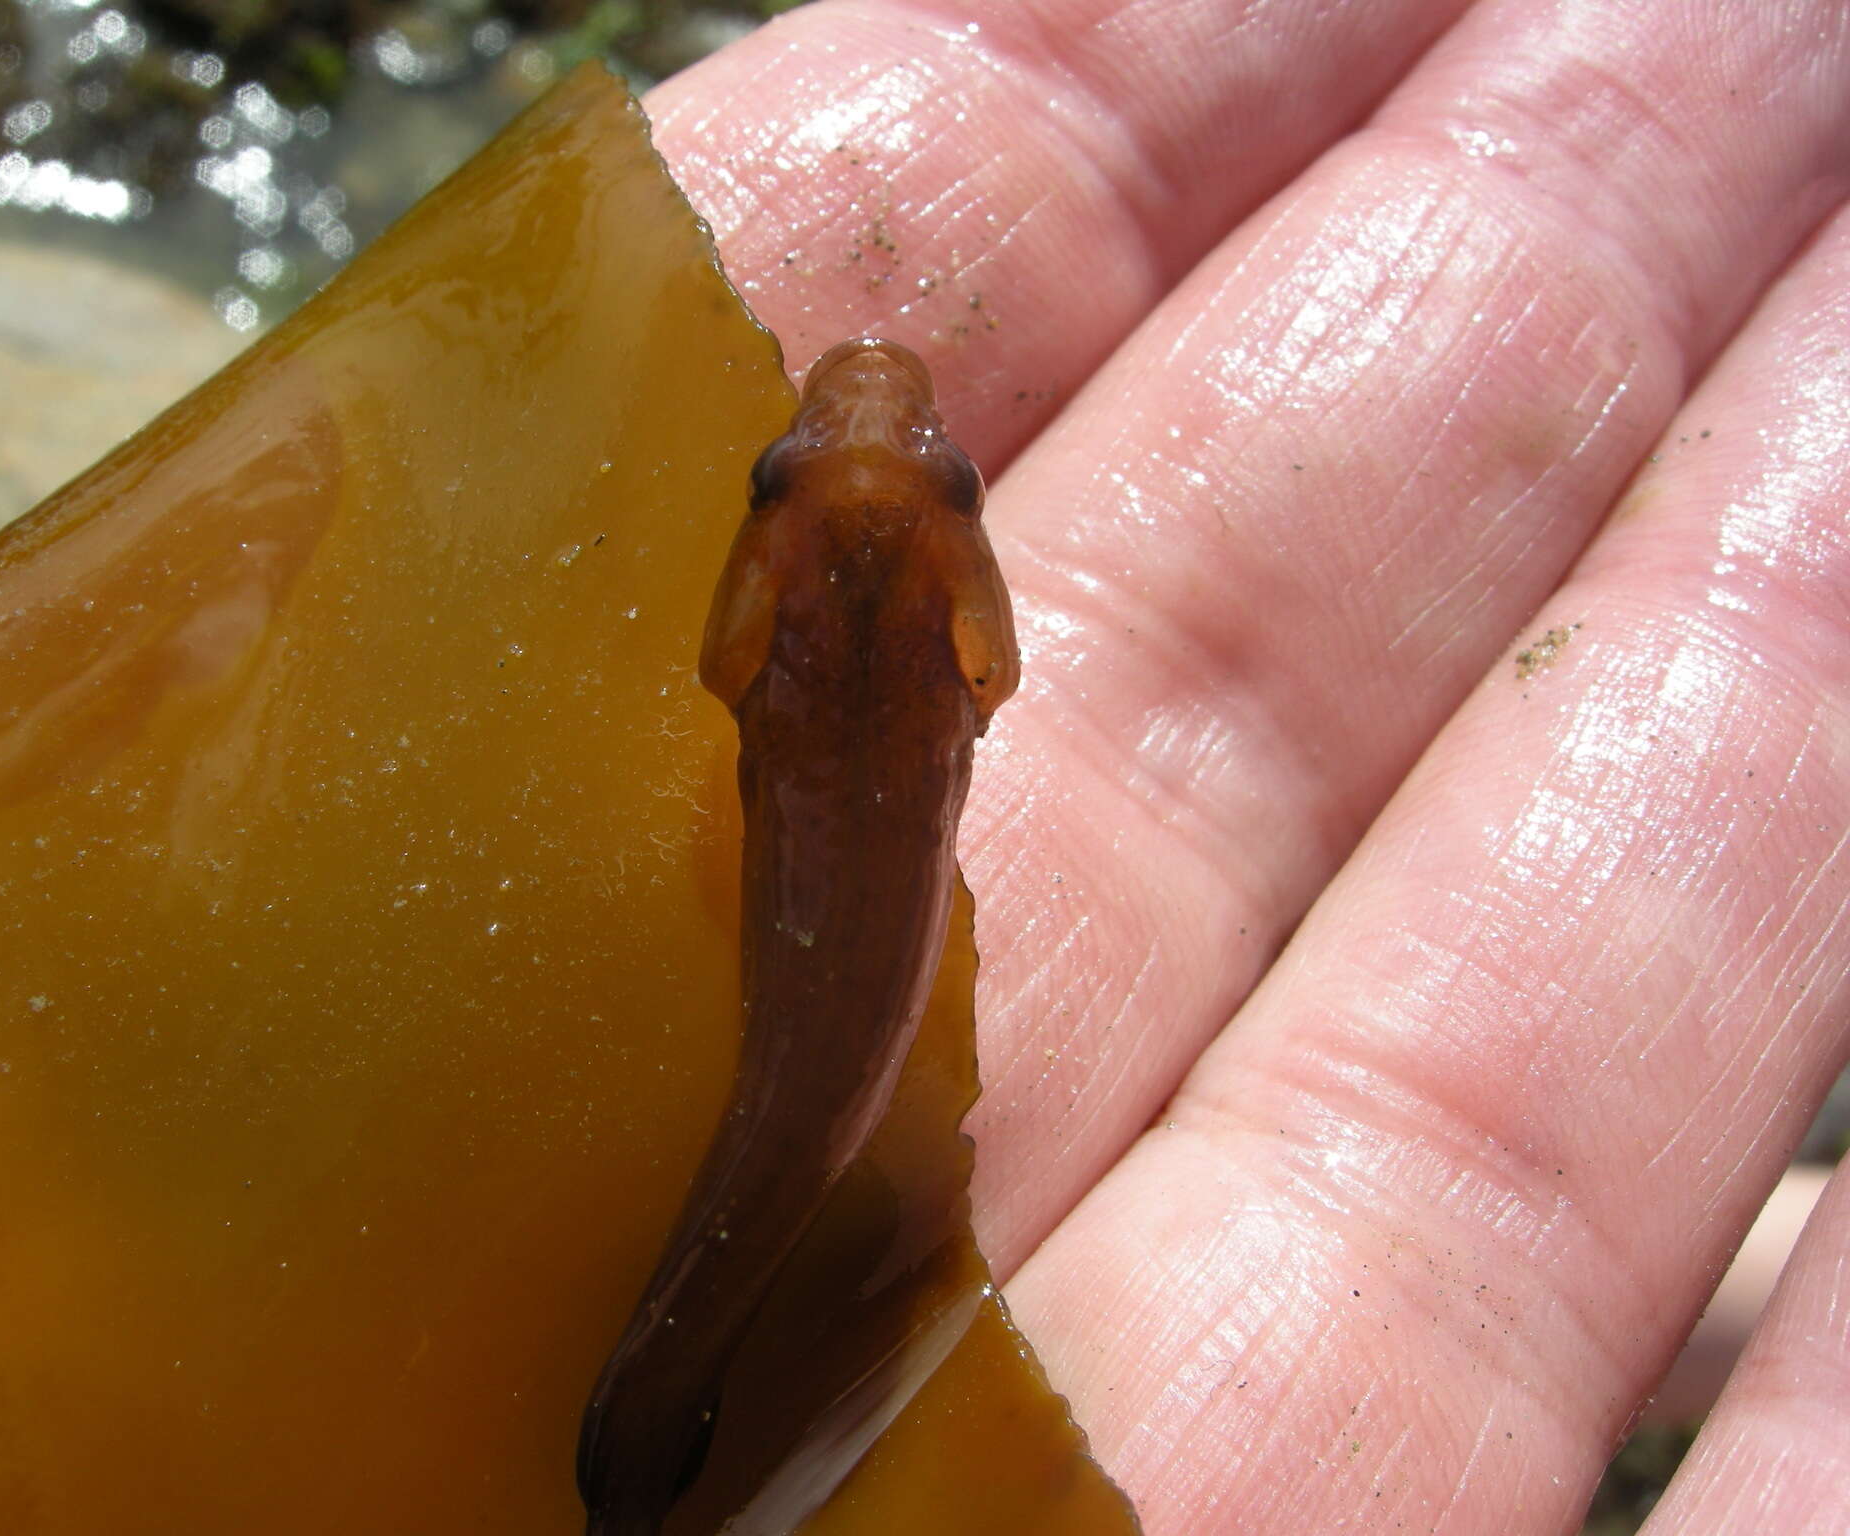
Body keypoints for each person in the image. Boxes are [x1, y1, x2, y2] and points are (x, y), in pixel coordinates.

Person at [645, 1, 1850, 1529]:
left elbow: (724, 669)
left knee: (767, 1165)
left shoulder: (767, 587)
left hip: (823, 870)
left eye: (937, 475)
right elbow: (993, 677)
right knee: (787, 1151)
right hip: (851, 890)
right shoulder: (957, 592)